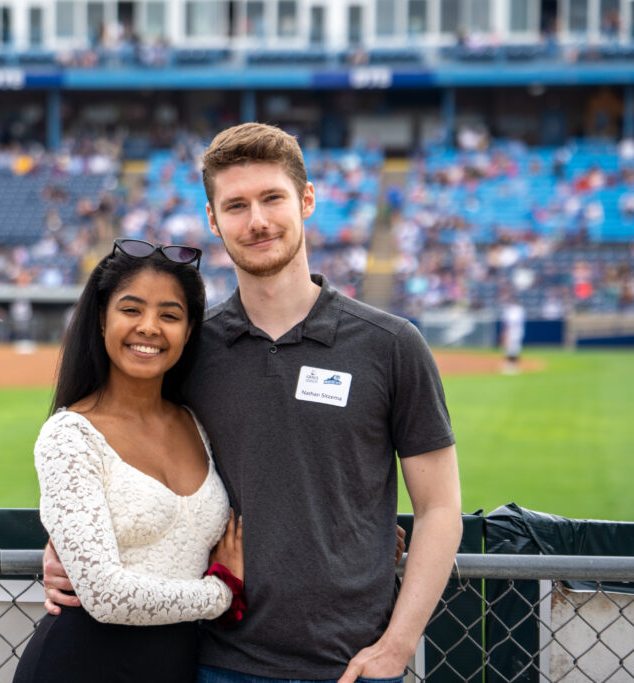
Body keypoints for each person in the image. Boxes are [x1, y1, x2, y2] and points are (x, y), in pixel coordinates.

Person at [43, 122, 462, 683]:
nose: (257, 221)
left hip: (355, 665)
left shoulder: (390, 345)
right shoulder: (189, 348)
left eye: (272, 198)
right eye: (236, 205)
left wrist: (397, 645)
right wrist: (61, 539)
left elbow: (439, 508)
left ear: (306, 200)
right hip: (219, 661)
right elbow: (122, 444)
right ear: (213, 220)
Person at [13, 239, 247, 683]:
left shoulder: (196, 422)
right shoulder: (69, 435)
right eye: (131, 309)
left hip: (178, 667)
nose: (150, 327)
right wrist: (222, 593)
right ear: (102, 319)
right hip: (80, 666)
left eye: (170, 315)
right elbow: (104, 595)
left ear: (190, 331)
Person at [501, 297, 526, 375]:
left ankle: (513, 365)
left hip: (515, 330)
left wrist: (506, 331)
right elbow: (505, 322)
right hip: (511, 330)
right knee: (509, 348)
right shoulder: (508, 310)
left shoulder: (518, 310)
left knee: (514, 348)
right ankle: (510, 364)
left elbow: (512, 322)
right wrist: (504, 332)